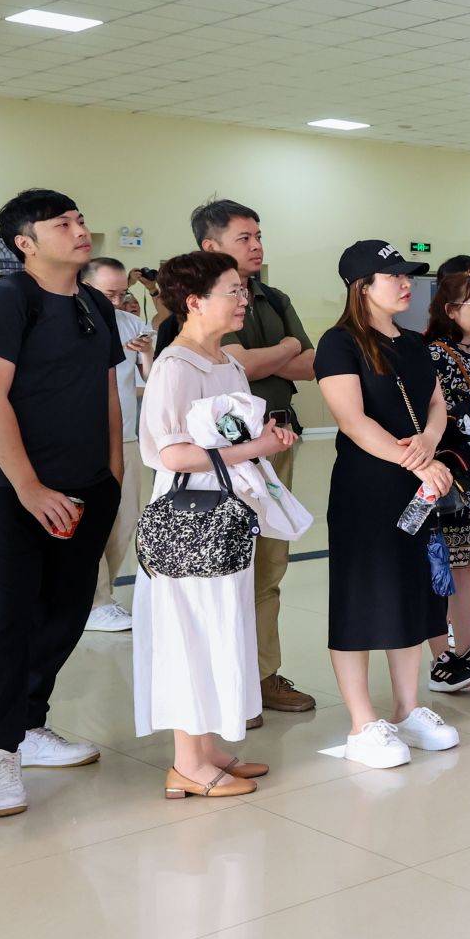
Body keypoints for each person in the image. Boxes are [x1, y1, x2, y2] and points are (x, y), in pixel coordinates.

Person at [135, 251, 299, 799]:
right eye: (232, 290)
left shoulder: (226, 361)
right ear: (194, 301)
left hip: (228, 505)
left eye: (242, 289)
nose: (243, 298)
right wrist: (255, 448)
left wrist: (266, 437)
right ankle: (186, 763)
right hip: (191, 512)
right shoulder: (175, 366)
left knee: (221, 624)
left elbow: (230, 431)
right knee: (190, 629)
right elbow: (171, 453)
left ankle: (207, 750)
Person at [0, 190, 123, 819]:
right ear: (25, 243)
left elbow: (107, 391)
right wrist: (30, 488)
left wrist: (113, 474)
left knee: (64, 614)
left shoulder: (95, 302)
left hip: (87, 486)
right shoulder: (7, 299)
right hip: (7, 491)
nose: (79, 229)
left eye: (80, 219)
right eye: (61, 223)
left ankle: (27, 725)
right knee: (4, 620)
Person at [314, 240, 460, 769]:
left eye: (407, 275)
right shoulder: (339, 343)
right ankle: (361, 723)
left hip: (416, 486)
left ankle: (407, 708)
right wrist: (417, 461)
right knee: (361, 597)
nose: (405, 284)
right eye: (393, 276)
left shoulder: (414, 342)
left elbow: (437, 403)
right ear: (362, 286)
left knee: (410, 594)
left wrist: (429, 441)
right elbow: (353, 421)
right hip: (367, 487)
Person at [188, 200, 318, 721]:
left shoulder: (272, 296)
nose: (257, 246)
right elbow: (236, 362)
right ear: (211, 246)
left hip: (276, 442)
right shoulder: (197, 301)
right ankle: (227, 683)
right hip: (223, 456)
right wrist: (284, 348)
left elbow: (310, 364)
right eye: (244, 238)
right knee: (224, 568)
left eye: (259, 236)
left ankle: (263, 675)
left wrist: (278, 355)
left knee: (269, 565)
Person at [424, 270, 470, 693]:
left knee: (467, 562)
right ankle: (441, 656)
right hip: (445, 470)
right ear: (450, 310)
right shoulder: (435, 354)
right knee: (441, 564)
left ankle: (465, 646)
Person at [85, 256, 151, 632]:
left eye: (121, 293)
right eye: (108, 293)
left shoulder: (132, 324)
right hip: (82, 437)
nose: (116, 300)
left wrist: (146, 352)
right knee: (88, 521)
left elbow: (151, 380)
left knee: (125, 519)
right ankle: (94, 602)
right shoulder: (69, 323)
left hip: (125, 435)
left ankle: (100, 597)